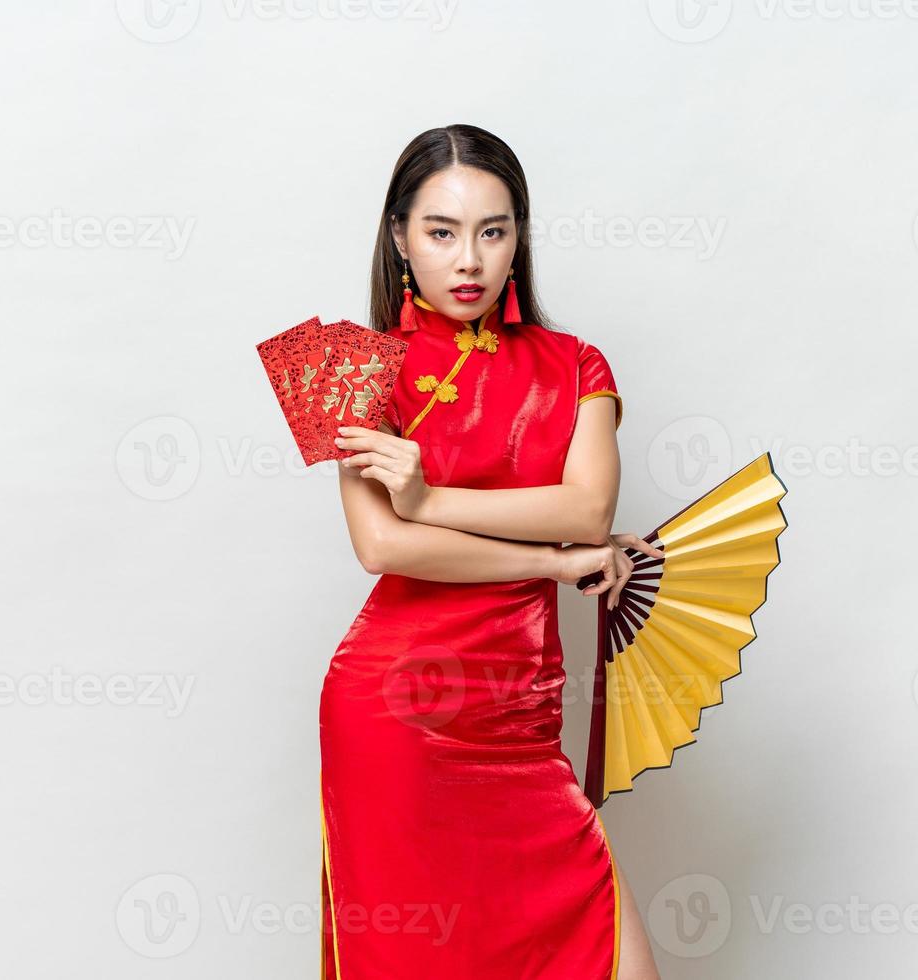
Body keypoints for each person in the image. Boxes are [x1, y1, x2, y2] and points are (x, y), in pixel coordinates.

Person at [320, 123, 663, 978]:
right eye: (441, 232)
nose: (468, 258)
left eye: (493, 230)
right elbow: (382, 546)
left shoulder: (576, 364)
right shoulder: (355, 369)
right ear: (399, 236)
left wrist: (432, 495)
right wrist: (549, 563)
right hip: (396, 716)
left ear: (519, 237)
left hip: (520, 722)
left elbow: (588, 509)